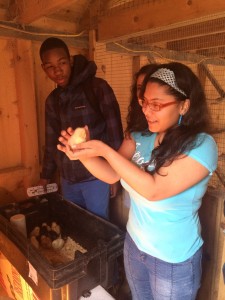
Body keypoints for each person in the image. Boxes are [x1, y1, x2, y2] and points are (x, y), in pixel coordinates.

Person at [57, 62, 218, 300]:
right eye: (144, 102)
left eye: (156, 104)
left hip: (172, 260)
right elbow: (111, 173)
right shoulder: (140, 136)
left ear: (184, 105)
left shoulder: (201, 146)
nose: (146, 111)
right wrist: (82, 155)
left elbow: (153, 190)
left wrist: (103, 148)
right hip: (134, 246)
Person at [38, 37, 123, 219]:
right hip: (68, 179)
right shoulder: (52, 100)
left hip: (97, 178)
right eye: (50, 67)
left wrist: (116, 177)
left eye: (62, 63)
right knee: (74, 225)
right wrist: (45, 176)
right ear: (43, 68)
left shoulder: (97, 88)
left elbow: (115, 134)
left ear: (70, 60)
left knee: (98, 226)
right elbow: (52, 141)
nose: (57, 71)